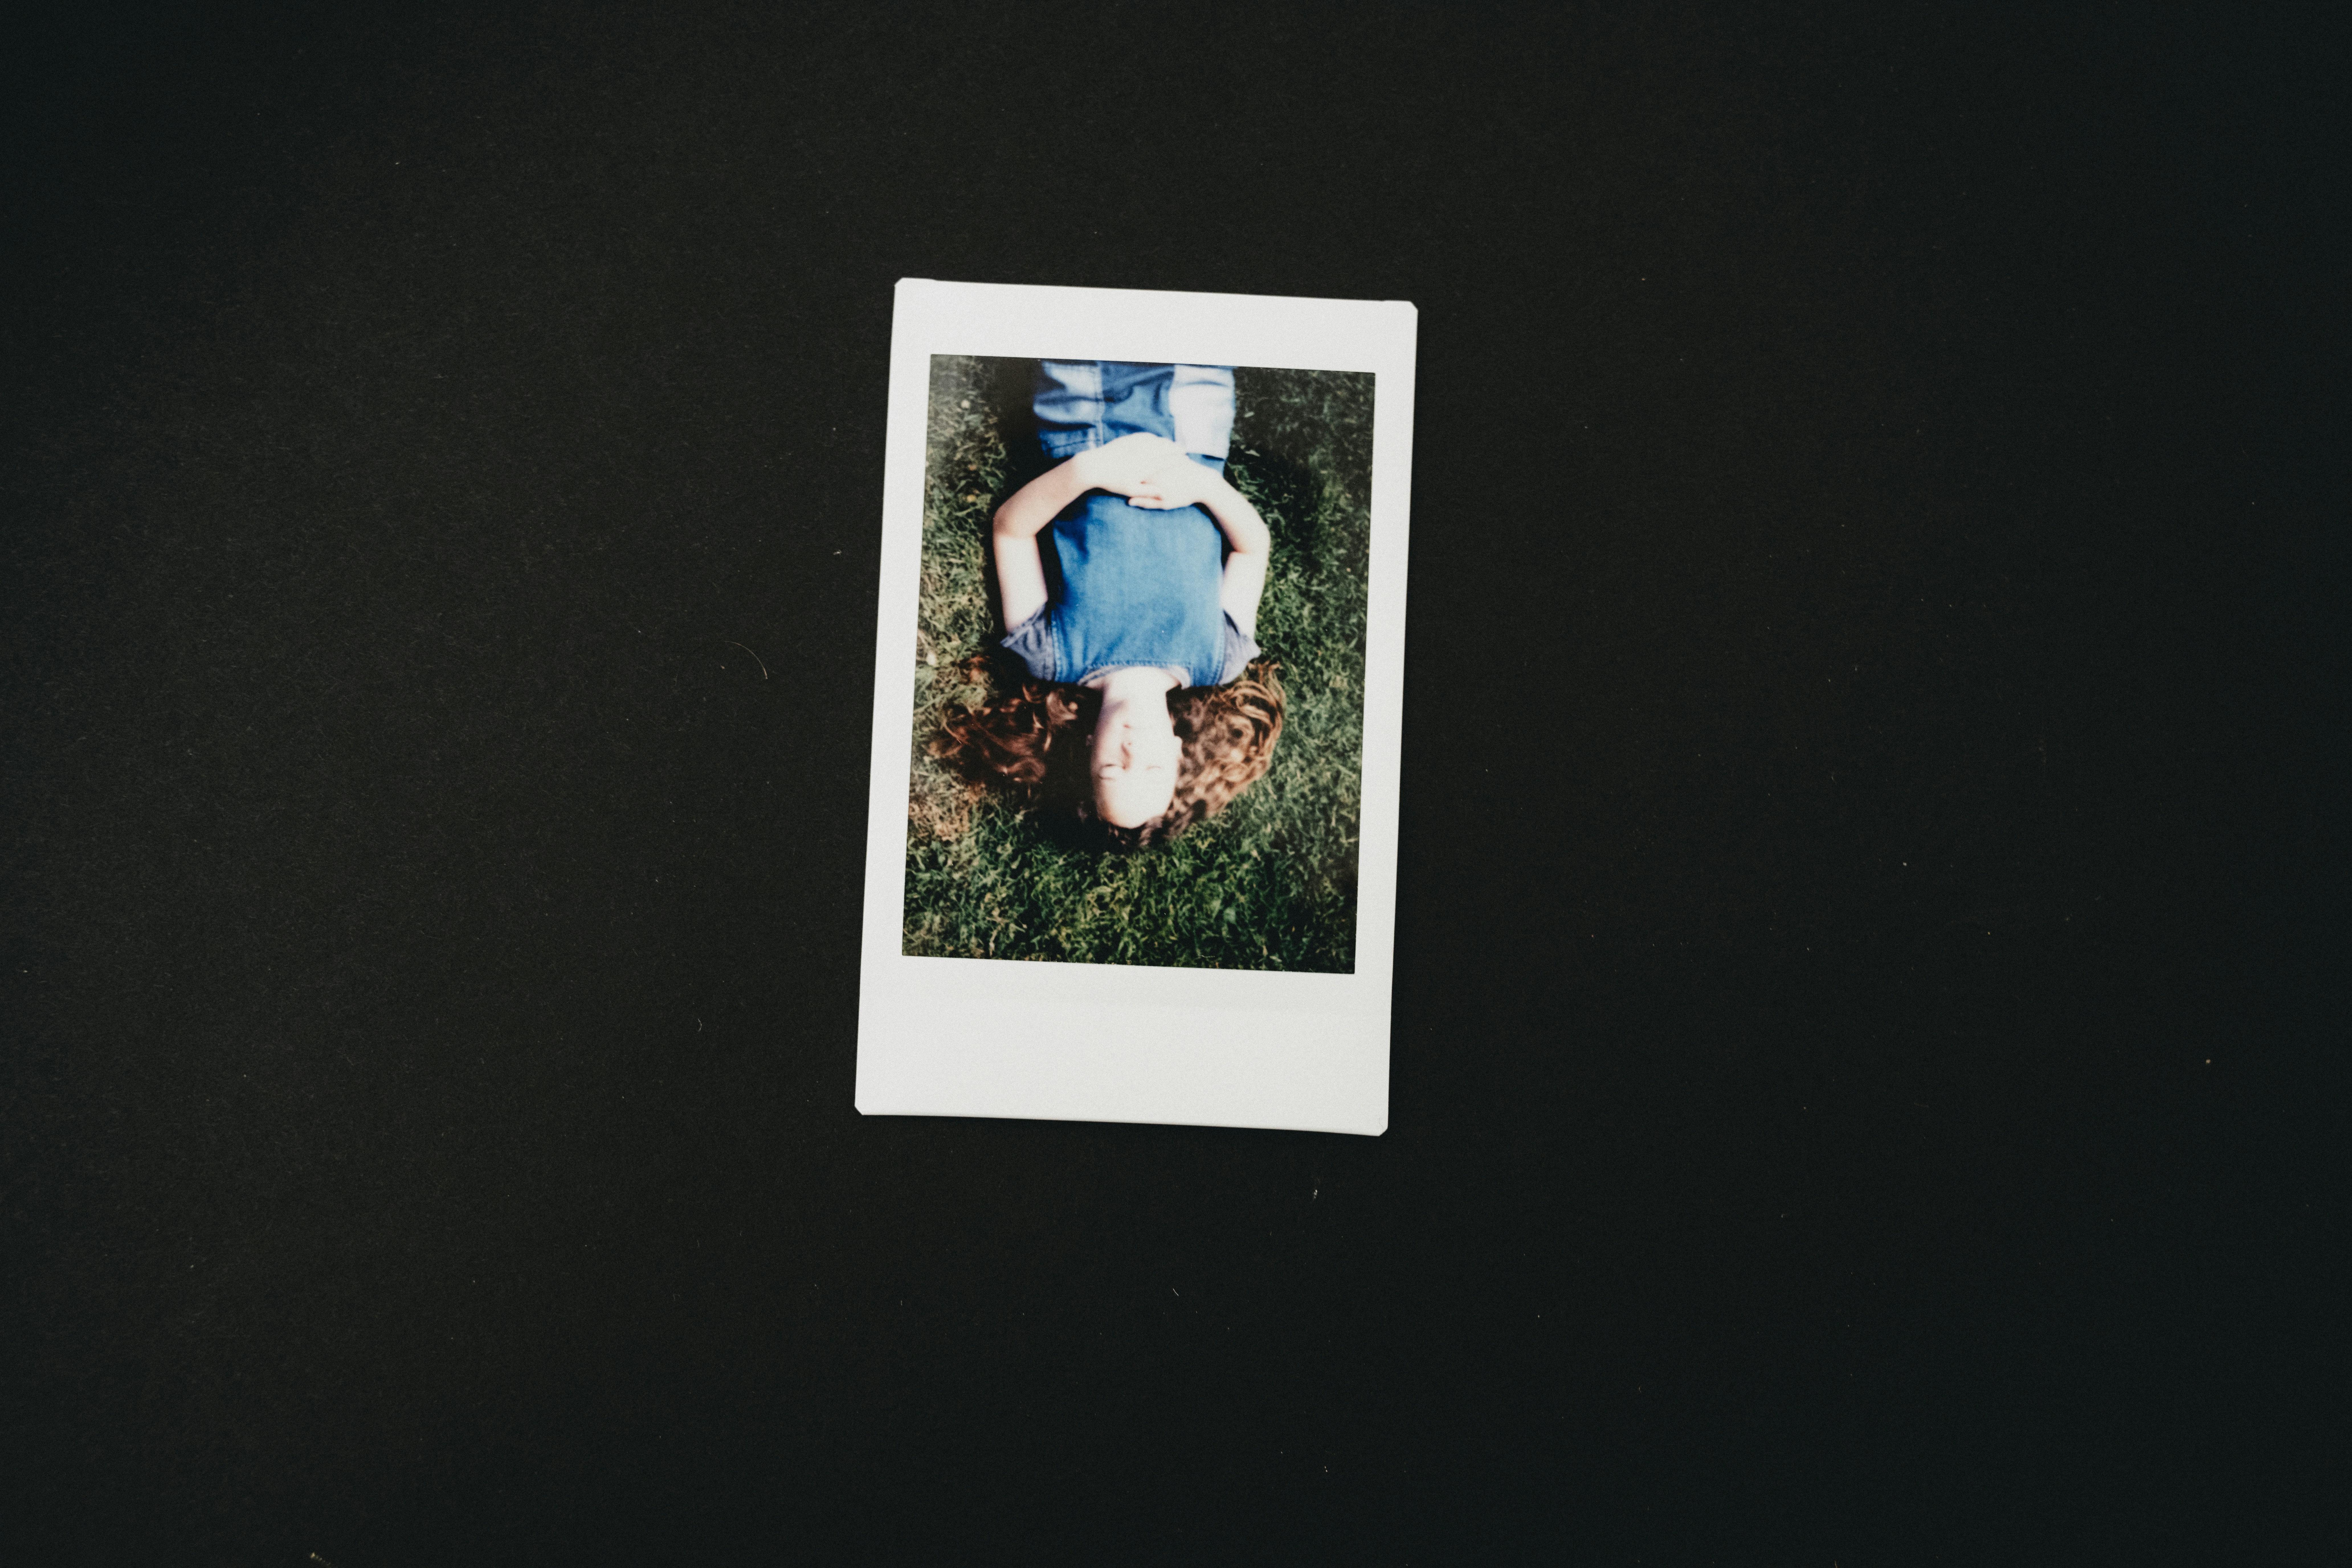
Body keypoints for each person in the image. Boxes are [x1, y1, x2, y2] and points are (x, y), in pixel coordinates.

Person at [932, 361, 1285, 849]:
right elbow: (1253, 548)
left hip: (1083, 414)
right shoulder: (1220, 659)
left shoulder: (1050, 656)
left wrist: (1090, 471)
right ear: (1178, 753)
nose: (1133, 749)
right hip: (1193, 422)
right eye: (1153, 767)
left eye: (1114, 769)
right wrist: (1202, 485)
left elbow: (1010, 532)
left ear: (1089, 752)